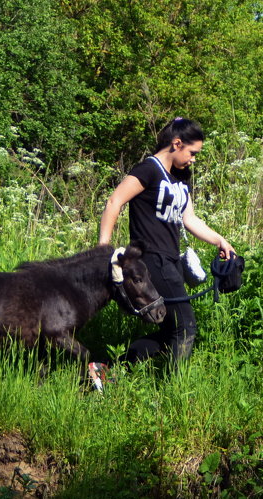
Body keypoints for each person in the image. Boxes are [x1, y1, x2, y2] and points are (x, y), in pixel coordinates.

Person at [97, 118, 233, 372]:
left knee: (172, 328)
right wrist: (103, 249)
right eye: (192, 153)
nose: (193, 159)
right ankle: (174, 388)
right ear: (177, 143)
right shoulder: (148, 169)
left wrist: (220, 240)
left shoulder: (181, 177)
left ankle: (107, 370)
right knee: (185, 326)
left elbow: (188, 218)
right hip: (149, 260)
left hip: (171, 261)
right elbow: (114, 202)